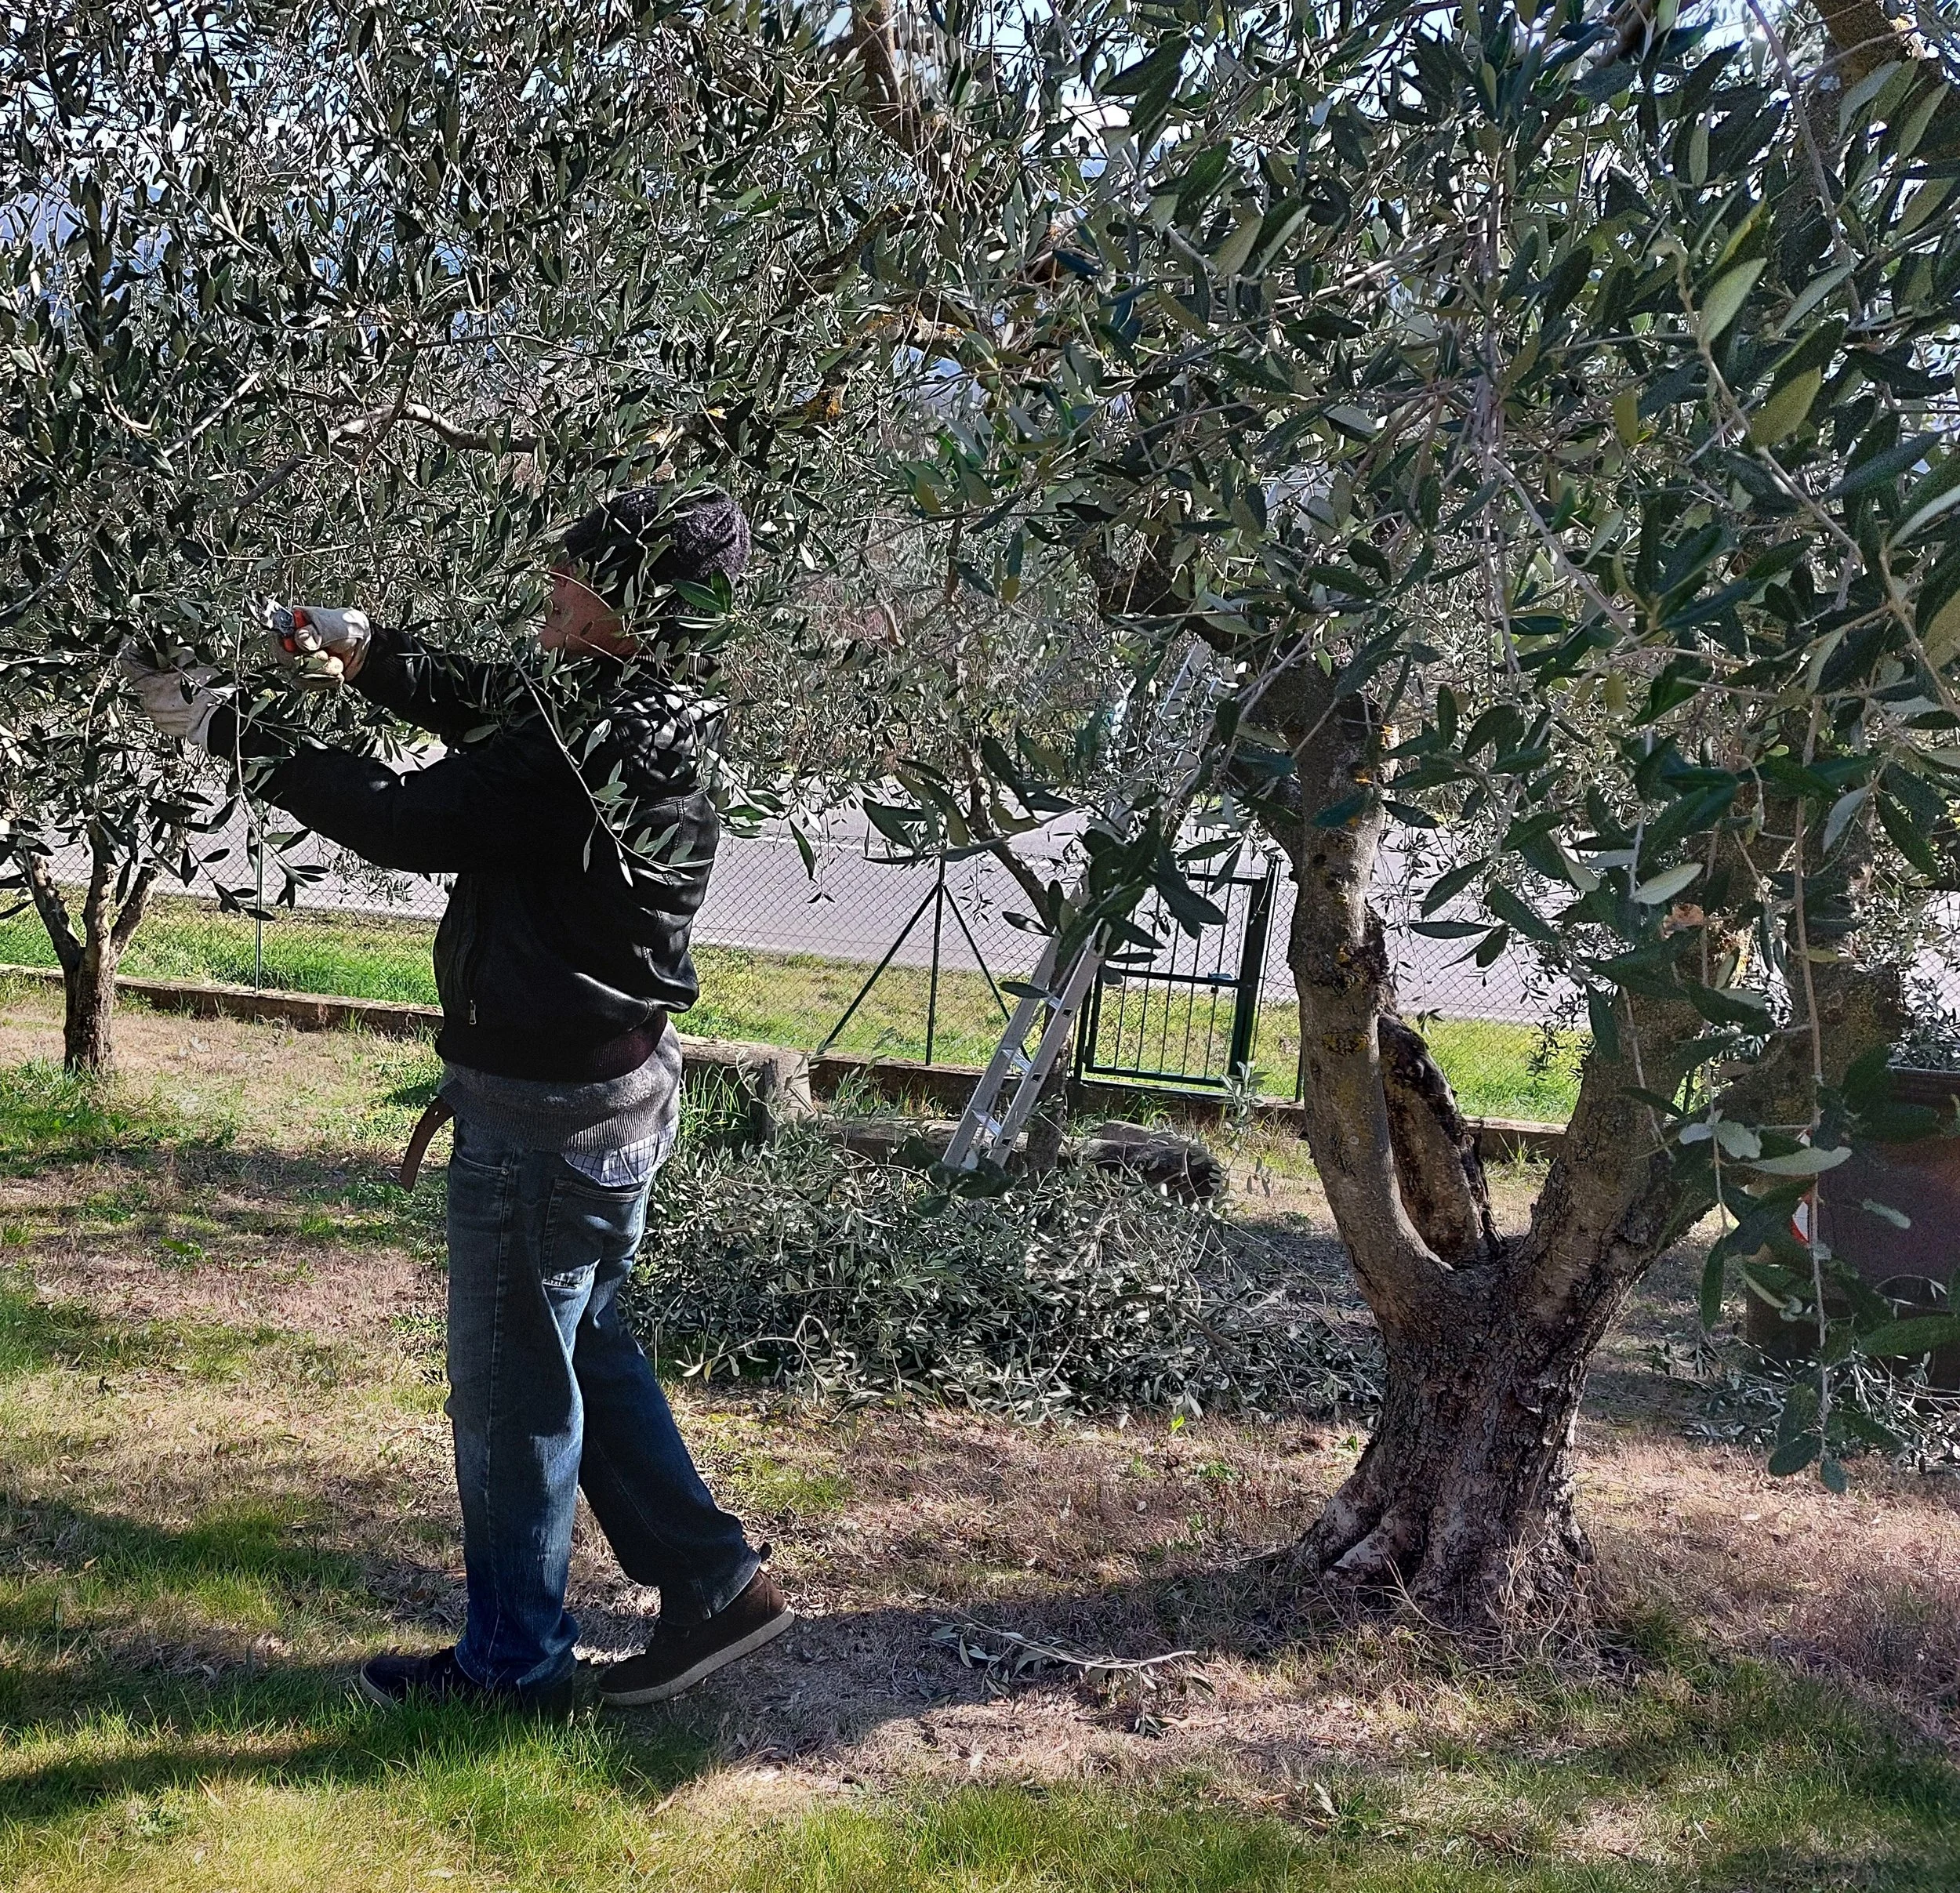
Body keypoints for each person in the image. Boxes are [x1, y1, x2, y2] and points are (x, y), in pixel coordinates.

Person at [124, 487, 793, 1714]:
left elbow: (406, 819)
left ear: (630, 607)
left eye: (578, 574)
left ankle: (512, 1667)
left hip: (548, 1128)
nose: (554, 583)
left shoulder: (595, 745)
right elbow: (496, 697)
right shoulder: (639, 705)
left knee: (510, 1402)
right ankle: (715, 1582)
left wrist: (228, 729)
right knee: (579, 1348)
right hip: (607, 1100)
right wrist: (370, 650)